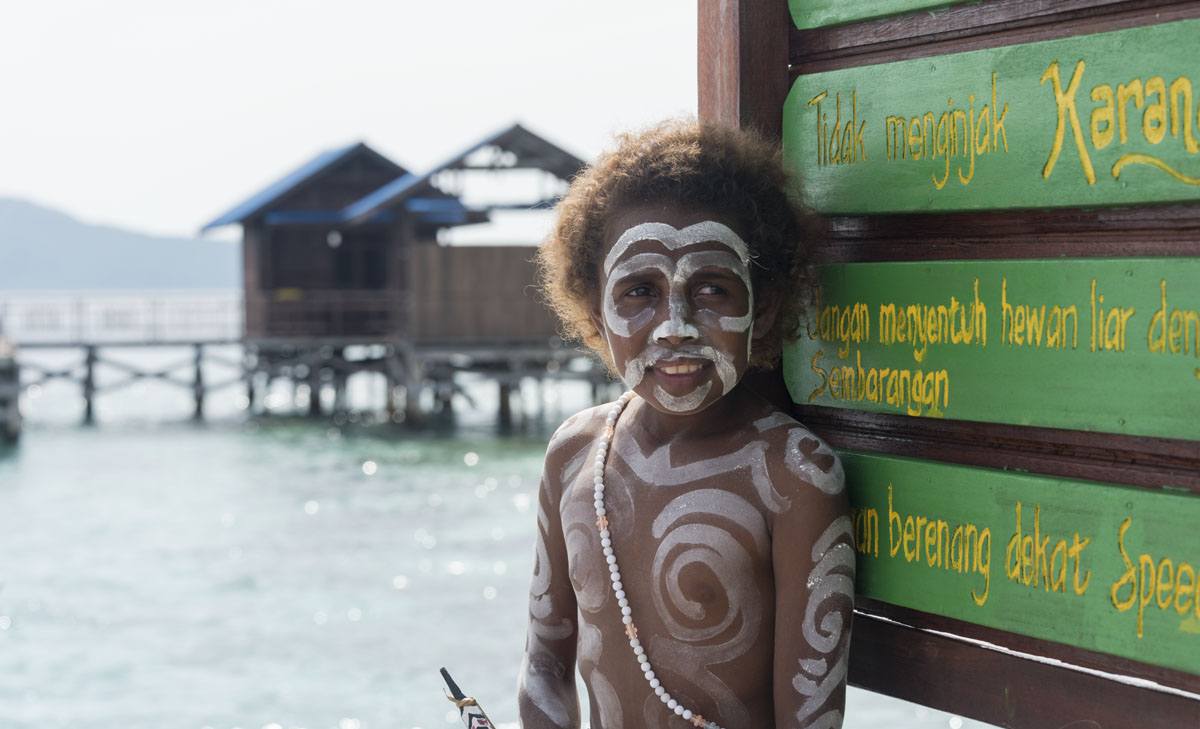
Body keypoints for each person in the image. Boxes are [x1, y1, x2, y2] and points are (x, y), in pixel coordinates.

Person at [519, 120, 854, 729]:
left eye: (712, 290)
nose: (675, 325)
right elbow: (544, 666)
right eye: (639, 291)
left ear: (766, 304)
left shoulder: (793, 476)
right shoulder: (573, 454)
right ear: (596, 310)